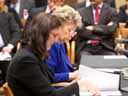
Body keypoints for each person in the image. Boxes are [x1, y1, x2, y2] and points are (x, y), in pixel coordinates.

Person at [7, 12, 100, 96]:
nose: (56, 40)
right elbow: (51, 94)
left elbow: (50, 80)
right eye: (55, 35)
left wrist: (72, 85)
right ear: (43, 34)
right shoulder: (26, 59)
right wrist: (78, 85)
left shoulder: (35, 53)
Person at [76, 0, 118, 65]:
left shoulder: (112, 11)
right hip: (86, 47)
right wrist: (104, 29)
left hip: (105, 47)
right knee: (84, 62)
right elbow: (81, 31)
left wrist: (93, 28)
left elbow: (111, 30)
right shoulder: (81, 12)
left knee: (114, 62)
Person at [46, 5, 82, 83]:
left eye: (73, 32)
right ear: (58, 25)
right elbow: (47, 77)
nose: (72, 35)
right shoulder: (50, 44)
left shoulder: (60, 42)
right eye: (69, 30)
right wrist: (71, 76)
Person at [0, 0, 21, 85]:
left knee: (8, 62)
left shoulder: (8, 16)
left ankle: (9, 89)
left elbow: (16, 32)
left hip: (5, 50)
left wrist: (10, 46)